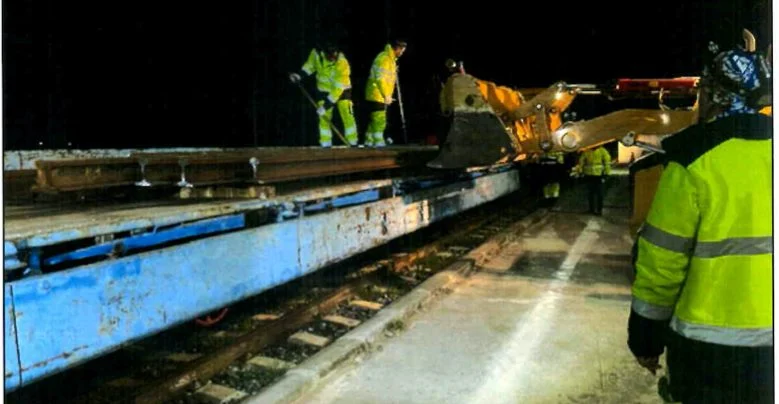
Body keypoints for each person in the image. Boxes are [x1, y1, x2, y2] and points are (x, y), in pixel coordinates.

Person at [627, 37, 772, 403]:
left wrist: (645, 339)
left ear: (718, 94)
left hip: (709, 353)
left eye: (704, 89)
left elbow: (662, 264)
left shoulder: (693, 161)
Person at [289, 43, 358, 147]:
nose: (332, 59)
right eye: (330, 56)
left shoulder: (343, 63)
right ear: (324, 53)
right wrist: (300, 75)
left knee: (347, 114)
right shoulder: (316, 54)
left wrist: (326, 106)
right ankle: (325, 144)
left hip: (342, 90)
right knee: (324, 117)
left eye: (334, 56)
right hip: (323, 90)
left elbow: (337, 90)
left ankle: (352, 142)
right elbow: (310, 66)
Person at [364, 39, 407, 147]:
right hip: (377, 94)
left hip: (379, 94)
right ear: (397, 48)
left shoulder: (390, 60)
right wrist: (386, 94)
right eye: (401, 50)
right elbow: (380, 79)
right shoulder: (384, 59)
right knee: (379, 120)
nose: (402, 53)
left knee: (374, 120)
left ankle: (369, 141)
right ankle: (378, 143)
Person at [574, 145, 611, 215]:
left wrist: (606, 174)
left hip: (599, 176)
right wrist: (580, 171)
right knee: (590, 194)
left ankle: (599, 210)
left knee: (599, 194)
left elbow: (607, 162)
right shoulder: (586, 151)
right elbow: (581, 161)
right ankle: (591, 209)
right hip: (589, 175)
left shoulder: (602, 150)